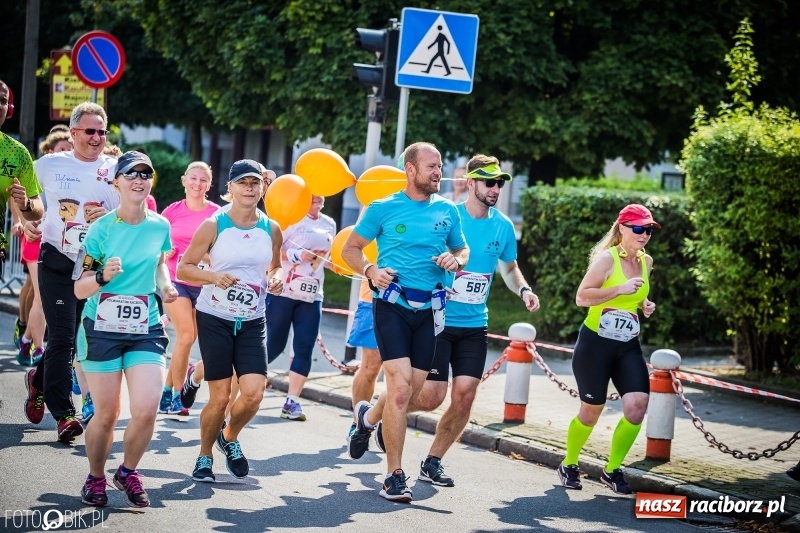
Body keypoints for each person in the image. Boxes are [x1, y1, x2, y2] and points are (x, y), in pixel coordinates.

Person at [383, 154, 540, 487]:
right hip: (437, 319)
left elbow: (509, 268)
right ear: (470, 182)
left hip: (474, 324)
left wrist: (523, 289)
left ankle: (433, 461)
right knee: (429, 397)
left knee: (466, 394)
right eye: (489, 182)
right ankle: (377, 415)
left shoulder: (503, 225)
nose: (495, 188)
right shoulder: (445, 215)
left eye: (500, 183)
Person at [342, 141, 468, 502]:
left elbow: (462, 249)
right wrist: (371, 270)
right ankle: (394, 475)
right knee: (398, 389)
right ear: (410, 169)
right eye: (431, 166)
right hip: (393, 305)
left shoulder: (448, 210)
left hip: (430, 310)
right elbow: (351, 248)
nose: (438, 172)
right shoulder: (383, 208)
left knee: (414, 391)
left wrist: (456, 260)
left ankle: (366, 420)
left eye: (440, 166)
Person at [74, 151, 176, 508]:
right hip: (101, 327)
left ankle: (128, 471)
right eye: (130, 173)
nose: (138, 179)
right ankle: (95, 478)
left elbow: (160, 265)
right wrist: (103, 275)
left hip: (144, 324)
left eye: (145, 173)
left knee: (148, 407)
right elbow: (80, 287)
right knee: (107, 414)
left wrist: (165, 286)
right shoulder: (100, 230)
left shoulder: (160, 225)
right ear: (115, 181)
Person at [179, 159, 282, 482]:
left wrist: (277, 277)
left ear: (263, 187)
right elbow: (185, 268)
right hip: (215, 317)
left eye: (255, 183)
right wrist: (213, 277)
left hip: (253, 319)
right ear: (230, 189)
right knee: (221, 396)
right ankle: (205, 455)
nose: (249, 188)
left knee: (253, 393)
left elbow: (275, 266)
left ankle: (229, 436)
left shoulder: (271, 228)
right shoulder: (214, 225)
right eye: (242, 183)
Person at [23, 101, 119, 443]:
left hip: (91, 267)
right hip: (57, 259)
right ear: (74, 131)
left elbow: (127, 215)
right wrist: (24, 221)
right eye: (89, 131)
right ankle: (64, 414)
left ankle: (39, 380)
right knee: (62, 335)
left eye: (101, 132)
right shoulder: (49, 164)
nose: (96, 138)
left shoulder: (115, 169)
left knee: (74, 338)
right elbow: (21, 194)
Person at [557, 203, 658, 495]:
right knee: (591, 411)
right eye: (638, 228)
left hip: (627, 345)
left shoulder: (646, 261)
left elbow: (637, 296)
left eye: (648, 229)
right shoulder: (606, 260)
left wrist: (644, 304)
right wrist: (619, 290)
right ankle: (569, 463)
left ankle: (612, 469)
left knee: (637, 406)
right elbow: (582, 297)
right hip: (595, 345)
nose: (644, 234)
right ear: (622, 228)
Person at [267, 194, 336, 421]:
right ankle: (242, 379)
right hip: (283, 291)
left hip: (312, 294)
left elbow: (331, 254)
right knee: (274, 345)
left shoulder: (329, 223)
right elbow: (271, 252)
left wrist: (332, 261)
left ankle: (292, 401)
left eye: (321, 195)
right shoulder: (290, 220)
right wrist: (297, 255)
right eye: (312, 195)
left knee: (304, 346)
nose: (318, 198)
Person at [159, 161, 220, 416]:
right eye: (193, 178)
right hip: (176, 281)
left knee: (192, 339)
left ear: (209, 185)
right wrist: (166, 249)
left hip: (205, 284)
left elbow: (226, 249)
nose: (197, 184)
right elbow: (156, 243)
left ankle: (166, 390)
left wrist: (208, 256)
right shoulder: (172, 211)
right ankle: (176, 396)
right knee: (185, 336)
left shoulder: (218, 214)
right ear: (184, 180)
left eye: (203, 180)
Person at [347, 278, 382, 430]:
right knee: (370, 366)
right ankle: (358, 424)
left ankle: (388, 418)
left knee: (402, 372)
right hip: (373, 297)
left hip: (416, 302)